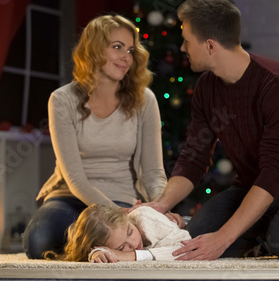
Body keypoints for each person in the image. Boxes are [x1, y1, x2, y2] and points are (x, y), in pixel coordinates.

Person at [136, 0, 279, 261]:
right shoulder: (206, 88)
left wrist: (223, 237)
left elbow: (275, 172)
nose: (183, 47)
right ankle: (263, 236)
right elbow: (194, 157)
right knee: (193, 243)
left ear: (209, 45)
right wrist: (162, 204)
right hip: (250, 186)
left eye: (187, 40)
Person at [23, 14, 173, 259]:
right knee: (40, 241)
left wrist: (159, 208)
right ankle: (97, 248)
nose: (126, 57)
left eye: (130, 50)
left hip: (123, 199)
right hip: (70, 198)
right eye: (117, 47)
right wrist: (116, 214)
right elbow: (75, 178)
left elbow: (155, 172)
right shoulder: (62, 100)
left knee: (131, 239)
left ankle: (99, 249)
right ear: (93, 50)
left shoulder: (145, 100)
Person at [45, 205, 191, 262]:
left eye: (130, 231)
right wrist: (97, 254)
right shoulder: (106, 244)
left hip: (188, 224)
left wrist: (129, 255)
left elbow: (188, 248)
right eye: (121, 248)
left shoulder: (144, 217)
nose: (134, 243)